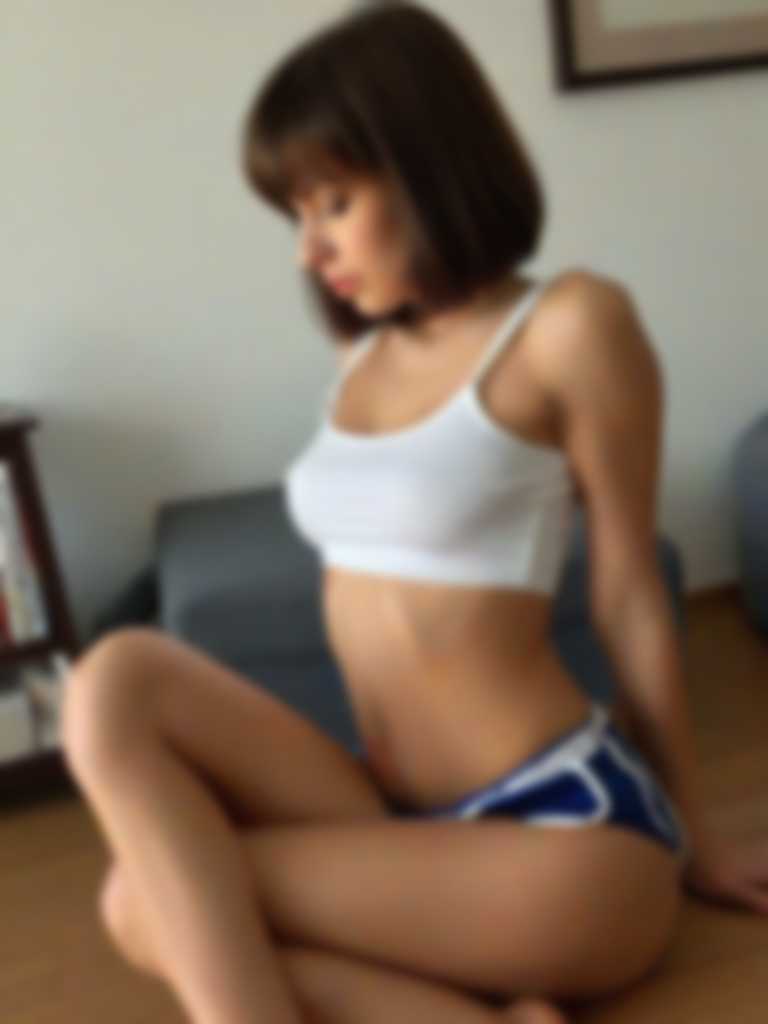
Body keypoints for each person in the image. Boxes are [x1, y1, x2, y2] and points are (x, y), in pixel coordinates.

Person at [61, 4, 768, 1024]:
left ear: (430, 168)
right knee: (115, 686)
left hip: (560, 825)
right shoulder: (362, 355)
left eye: (334, 203)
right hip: (390, 810)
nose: (310, 250)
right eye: (296, 216)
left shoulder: (569, 326)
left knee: (165, 904)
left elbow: (626, 593)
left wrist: (700, 834)